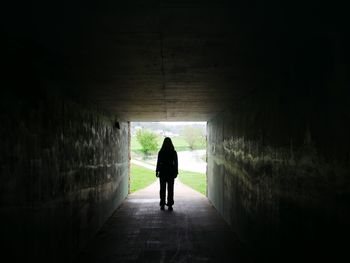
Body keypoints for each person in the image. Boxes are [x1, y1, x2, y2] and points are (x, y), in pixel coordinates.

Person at [156, 137, 178, 211]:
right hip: (171, 172)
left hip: (162, 172)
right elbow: (176, 163)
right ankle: (170, 205)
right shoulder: (173, 152)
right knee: (170, 189)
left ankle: (162, 204)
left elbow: (158, 162)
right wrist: (176, 172)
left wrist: (157, 171)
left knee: (162, 189)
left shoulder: (161, 152)